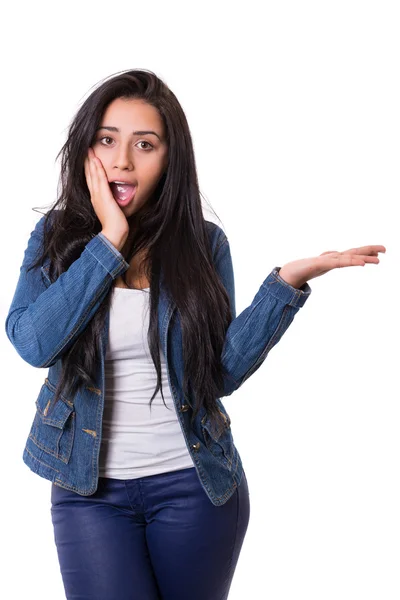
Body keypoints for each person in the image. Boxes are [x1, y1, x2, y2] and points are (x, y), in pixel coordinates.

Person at [5, 68, 386, 600]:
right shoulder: (57, 238)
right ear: (88, 150)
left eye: (145, 144)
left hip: (196, 486)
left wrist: (285, 285)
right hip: (88, 493)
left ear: (169, 159)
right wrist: (109, 241)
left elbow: (219, 374)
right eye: (108, 140)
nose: (122, 160)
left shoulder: (204, 244)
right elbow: (32, 343)